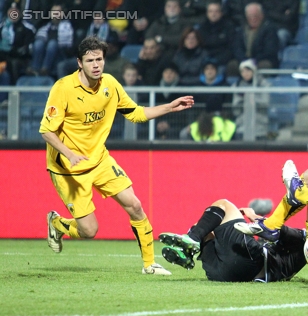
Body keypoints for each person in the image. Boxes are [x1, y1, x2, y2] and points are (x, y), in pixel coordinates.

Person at [39, 36, 194, 275]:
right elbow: (47, 131)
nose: (96, 65)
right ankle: (58, 223)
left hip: (100, 161)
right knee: (90, 231)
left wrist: (170, 107)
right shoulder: (63, 88)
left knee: (135, 205)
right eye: (90, 60)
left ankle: (149, 265)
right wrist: (69, 154)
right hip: (68, 170)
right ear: (79, 62)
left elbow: (135, 113)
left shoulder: (110, 84)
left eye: (99, 59)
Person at [159, 199, 307, 282]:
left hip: (248, 264)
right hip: (223, 273)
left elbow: (275, 231)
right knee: (204, 228)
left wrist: (254, 216)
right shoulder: (304, 253)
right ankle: (189, 249)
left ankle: (190, 241)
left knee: (223, 205)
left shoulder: (304, 238)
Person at [228, 2, 279, 77]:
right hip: (244, 60)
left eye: (255, 16)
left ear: (261, 15)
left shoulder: (269, 29)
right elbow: (237, 47)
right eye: (250, 16)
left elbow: (269, 51)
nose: (253, 19)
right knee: (232, 65)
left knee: (264, 66)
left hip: (261, 60)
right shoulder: (241, 30)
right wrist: (244, 60)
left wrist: (253, 61)